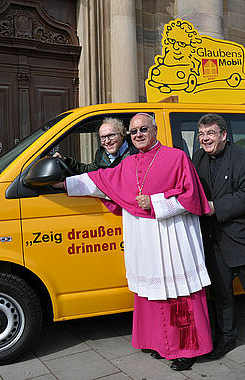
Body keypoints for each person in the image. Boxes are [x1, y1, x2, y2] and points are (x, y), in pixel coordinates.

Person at [53, 113, 213, 371]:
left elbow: (191, 197)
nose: (138, 135)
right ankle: (161, 344)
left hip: (172, 236)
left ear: (155, 130)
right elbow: (98, 182)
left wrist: (156, 202)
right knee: (151, 293)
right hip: (143, 239)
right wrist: (60, 185)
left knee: (178, 293)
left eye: (143, 129)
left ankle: (187, 349)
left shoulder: (176, 157)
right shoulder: (127, 165)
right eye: (134, 131)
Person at [192, 113, 245, 358]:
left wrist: (214, 207)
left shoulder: (243, 159)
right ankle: (226, 337)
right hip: (215, 239)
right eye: (201, 134)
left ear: (223, 135)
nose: (205, 139)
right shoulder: (197, 158)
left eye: (210, 133)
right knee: (221, 292)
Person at [58, 117, 137, 173]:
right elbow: (88, 170)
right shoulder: (101, 154)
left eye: (111, 135)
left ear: (122, 134)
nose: (107, 141)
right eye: (103, 137)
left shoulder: (137, 151)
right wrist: (66, 160)